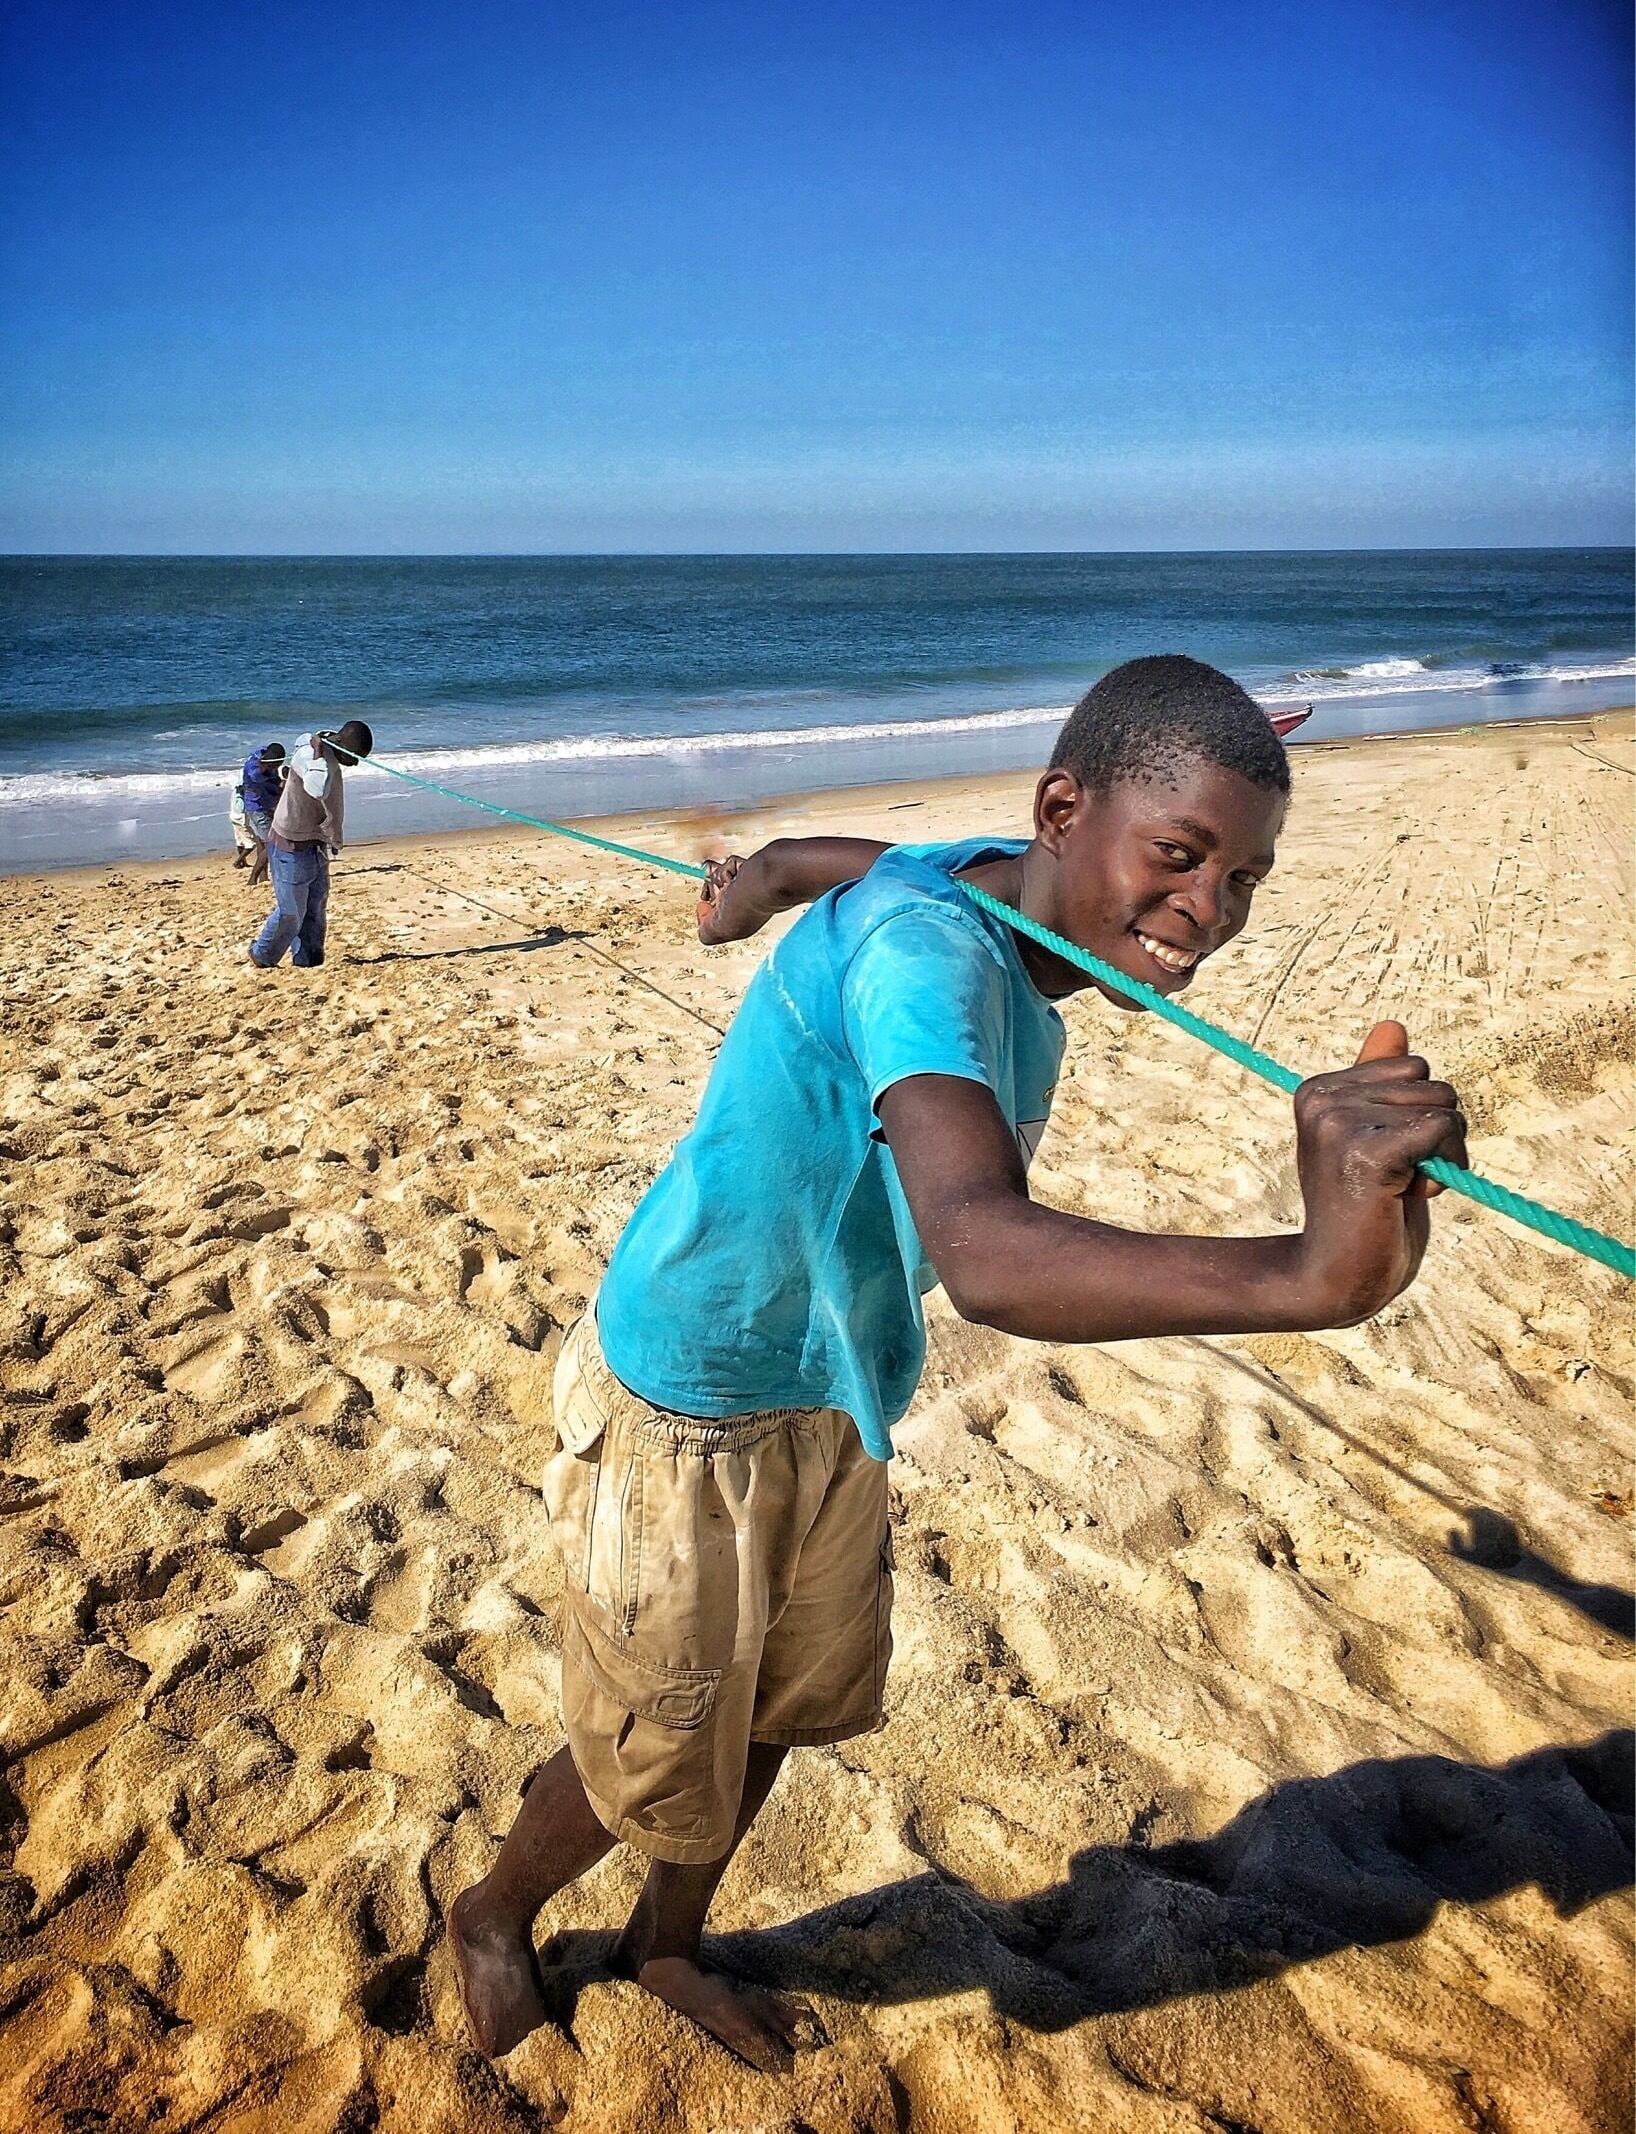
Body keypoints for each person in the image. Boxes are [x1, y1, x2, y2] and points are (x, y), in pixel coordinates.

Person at [447, 657, 1467, 2072]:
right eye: (1179, 858)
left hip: (838, 1380)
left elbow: (848, 858)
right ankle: (494, 1916)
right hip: (690, 1389)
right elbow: (985, 1249)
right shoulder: (924, 959)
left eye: (1244, 879)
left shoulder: (985, 878)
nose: (1209, 916)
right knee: (656, 1741)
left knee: (777, 1708)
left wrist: (756, 883)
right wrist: (1308, 1275)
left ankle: (665, 1942)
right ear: (1064, 807)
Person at [248, 720, 372, 971]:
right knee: (291, 911)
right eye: (354, 756)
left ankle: (308, 959)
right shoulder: (308, 755)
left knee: (315, 905)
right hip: (290, 844)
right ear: (339, 743)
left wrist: (334, 837)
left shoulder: (329, 751)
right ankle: (262, 954)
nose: (355, 763)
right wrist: (317, 753)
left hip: (315, 843)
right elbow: (317, 788)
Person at [237, 741, 288, 883]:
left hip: (268, 804)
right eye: (272, 767)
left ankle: (263, 876)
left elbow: (273, 781)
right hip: (257, 807)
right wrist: (263, 766)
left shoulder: (268, 754)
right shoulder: (253, 766)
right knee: (272, 842)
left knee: (264, 842)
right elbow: (255, 776)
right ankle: (253, 878)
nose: (275, 768)